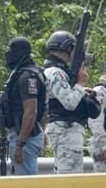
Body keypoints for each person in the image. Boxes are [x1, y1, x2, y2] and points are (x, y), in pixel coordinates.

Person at [43, 30, 100, 175]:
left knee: (68, 172)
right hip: (65, 129)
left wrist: (81, 89)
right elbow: (69, 103)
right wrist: (80, 84)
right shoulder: (55, 72)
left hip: (64, 129)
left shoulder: (54, 71)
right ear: (68, 48)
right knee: (69, 175)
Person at [2, 37, 46, 175]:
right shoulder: (28, 73)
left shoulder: (27, 77)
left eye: (10, 51)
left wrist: (20, 144)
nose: (8, 55)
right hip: (26, 135)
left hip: (25, 138)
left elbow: (31, 112)